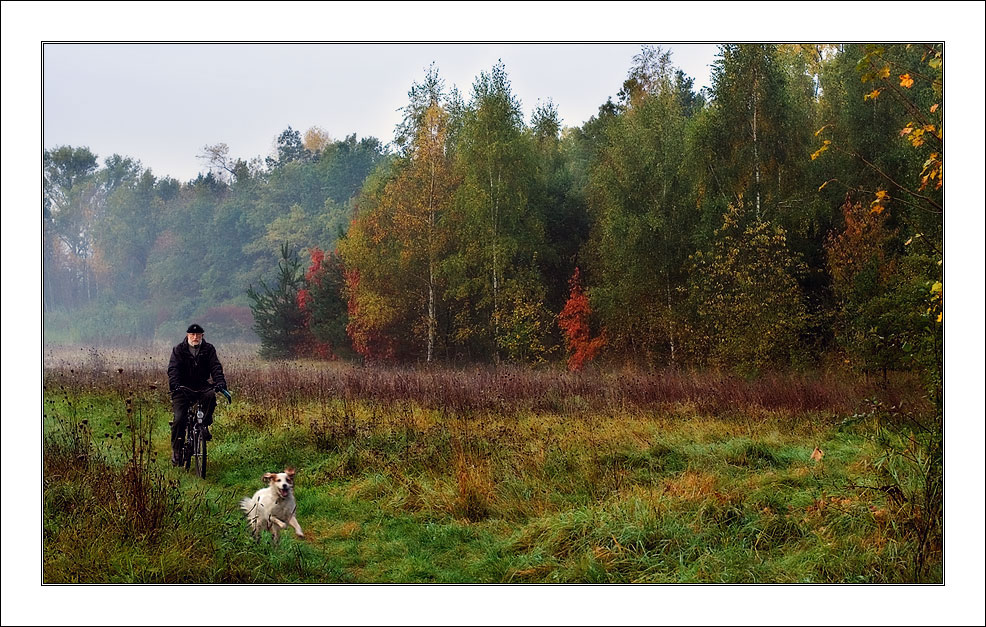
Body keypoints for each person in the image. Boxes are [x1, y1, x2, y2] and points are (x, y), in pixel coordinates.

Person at [168, 323, 228, 465]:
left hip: (202, 385)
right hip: (182, 387)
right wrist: (175, 385)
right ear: (188, 335)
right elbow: (173, 369)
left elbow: (215, 367)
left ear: (202, 336)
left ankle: (204, 425)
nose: (195, 337)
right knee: (179, 419)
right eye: (192, 335)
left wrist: (220, 382)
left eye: (198, 335)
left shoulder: (208, 349)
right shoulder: (179, 350)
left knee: (210, 396)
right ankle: (177, 450)